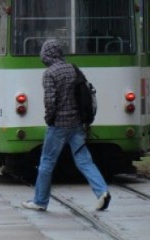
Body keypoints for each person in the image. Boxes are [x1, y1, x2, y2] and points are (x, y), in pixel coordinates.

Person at [21, 38, 111, 212]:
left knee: (47, 162)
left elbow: (50, 101)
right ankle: (102, 192)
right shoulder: (73, 69)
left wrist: (49, 119)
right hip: (77, 124)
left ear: (46, 54)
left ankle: (40, 201)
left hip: (58, 126)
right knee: (84, 160)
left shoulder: (50, 73)